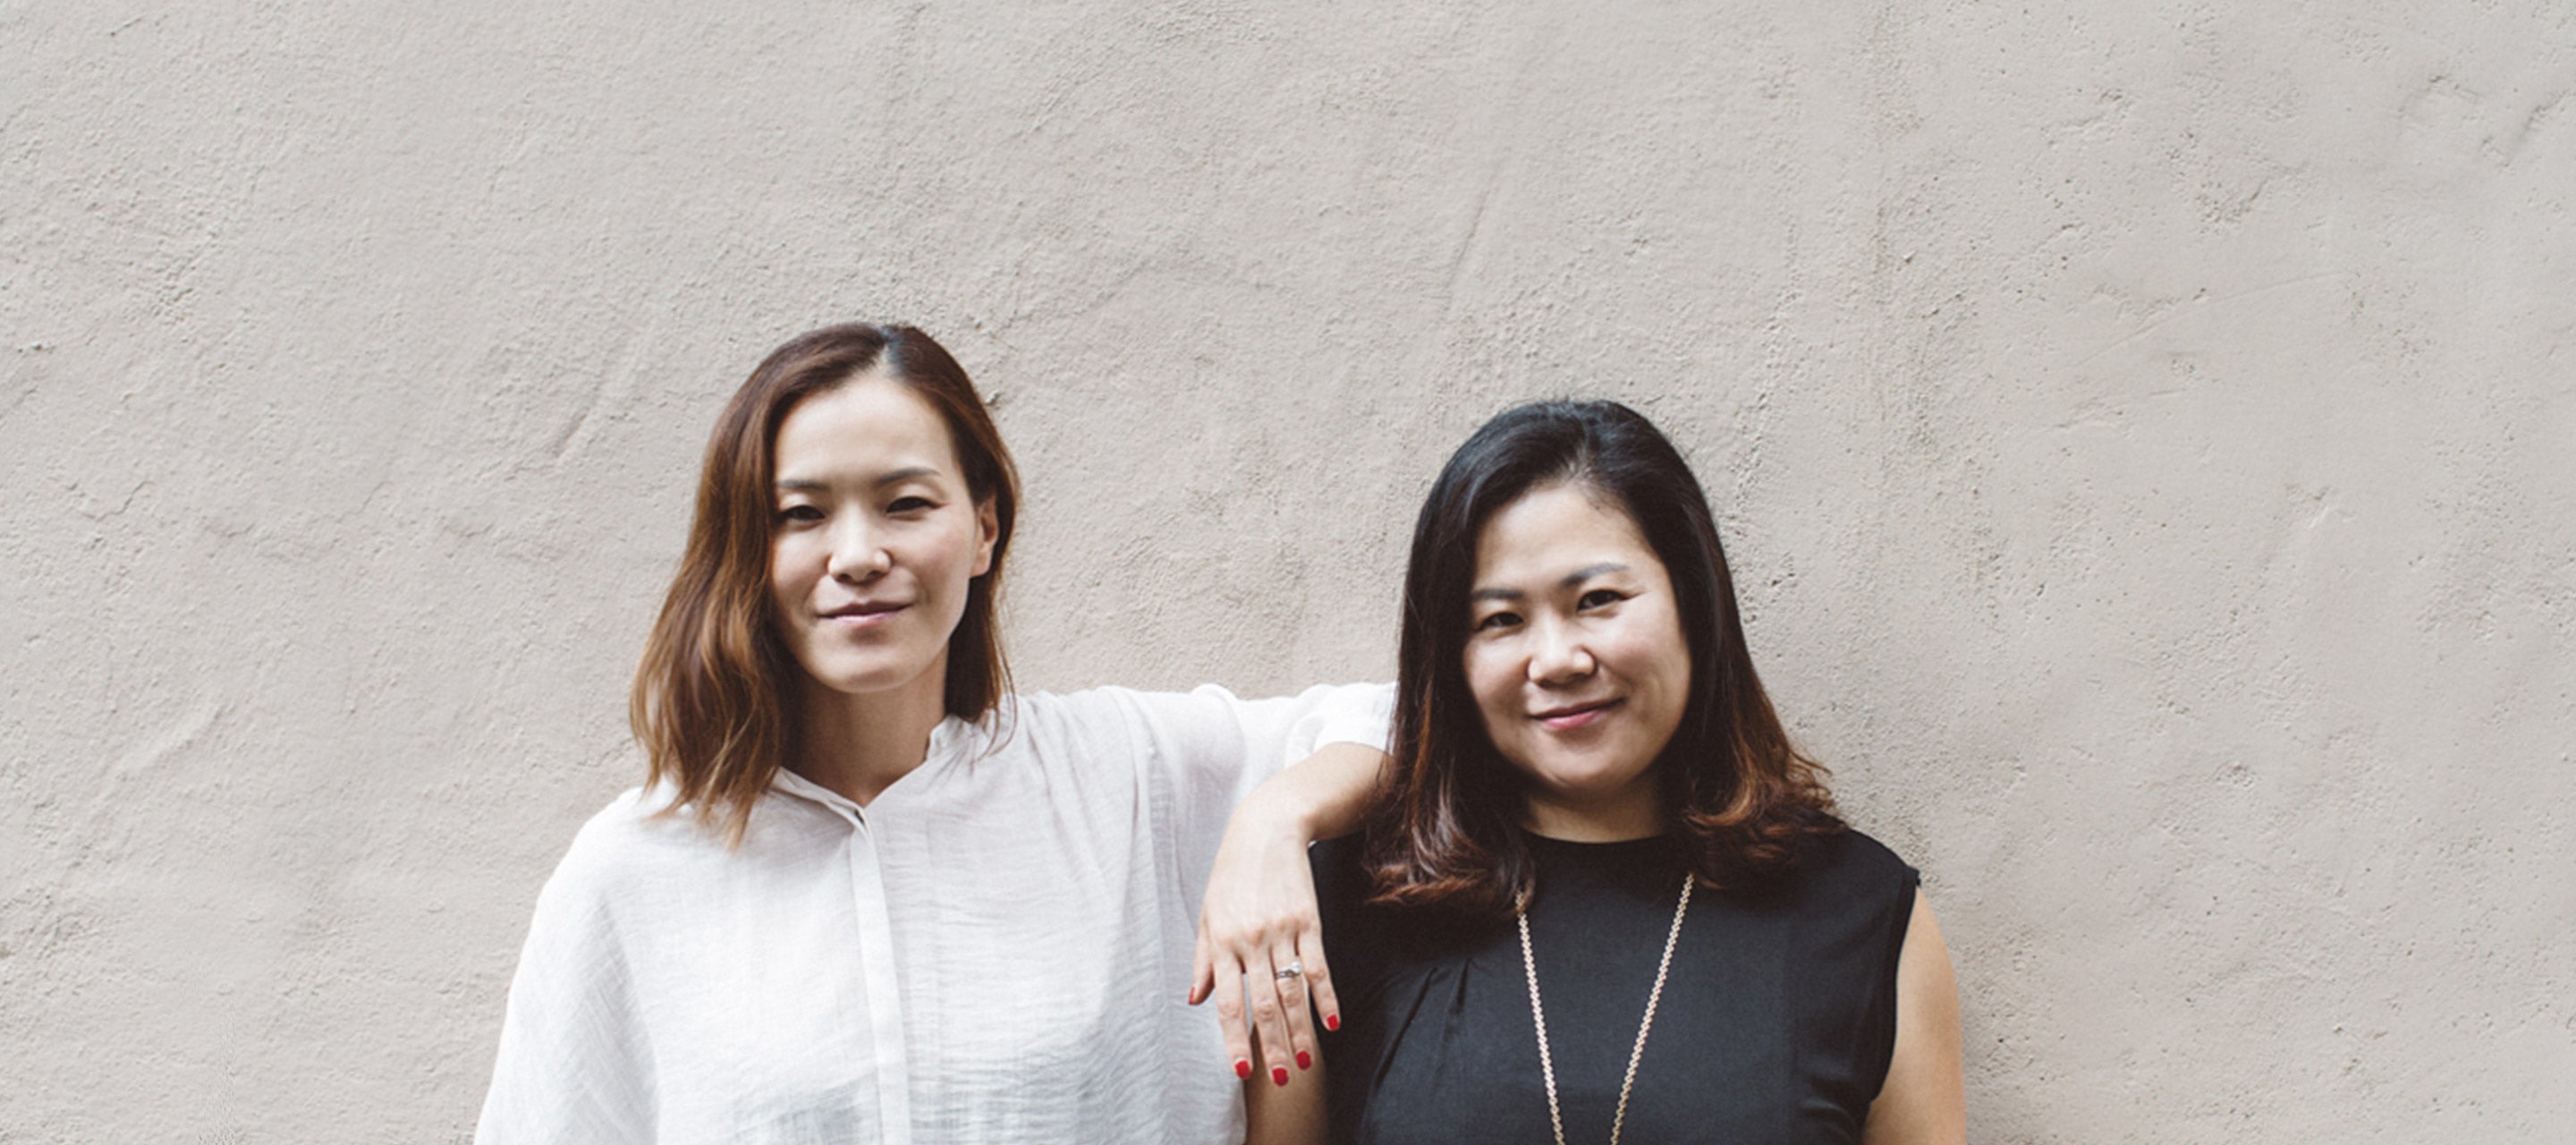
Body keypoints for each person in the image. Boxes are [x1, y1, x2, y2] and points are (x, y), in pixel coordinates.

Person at [475, 323, 1386, 1143]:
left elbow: (1412, 719)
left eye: (906, 503)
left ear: (985, 528)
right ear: (751, 550)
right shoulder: (630, 873)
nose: (858, 554)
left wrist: (1274, 820)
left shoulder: (1121, 772)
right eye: (801, 514)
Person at [1249, 400, 1964, 1144]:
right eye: (1501, 620)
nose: (1556, 660)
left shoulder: (1861, 913)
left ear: (1695, 604)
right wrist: (1267, 822)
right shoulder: (1336, 914)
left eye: (1598, 601)